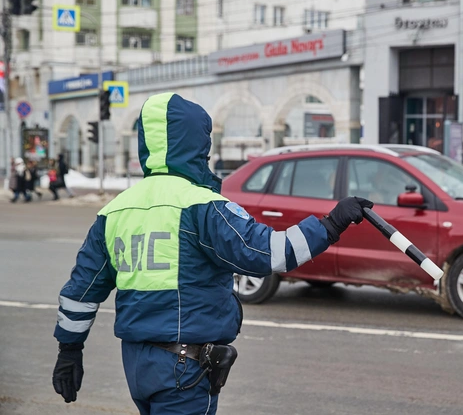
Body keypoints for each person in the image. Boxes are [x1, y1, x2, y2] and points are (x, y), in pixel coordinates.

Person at [51, 92, 373, 415]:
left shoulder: (115, 211)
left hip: (136, 366)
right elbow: (270, 254)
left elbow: (81, 291)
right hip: (183, 370)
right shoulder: (203, 207)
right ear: (197, 145)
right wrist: (332, 224)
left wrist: (69, 349)